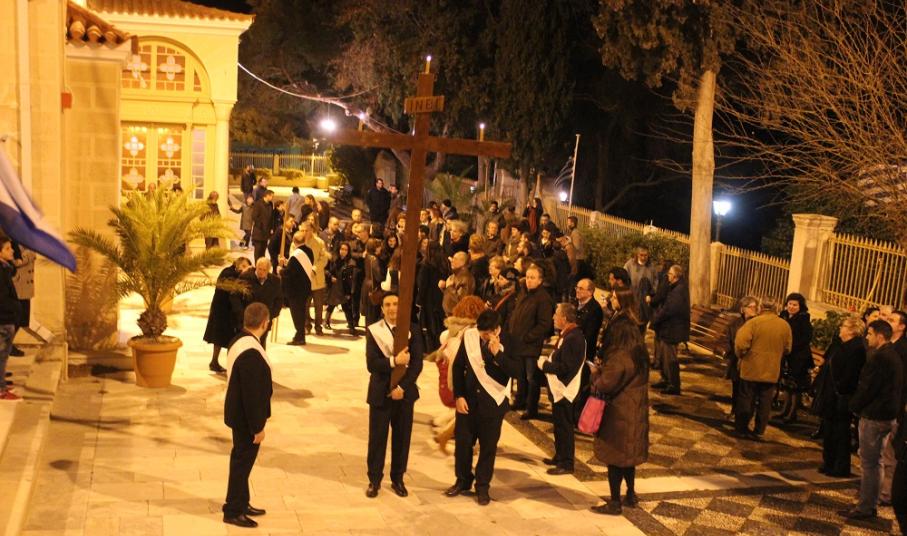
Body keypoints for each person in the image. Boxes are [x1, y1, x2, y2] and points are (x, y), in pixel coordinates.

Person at [446, 309, 520, 505]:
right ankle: (462, 481)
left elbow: (517, 371)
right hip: (468, 402)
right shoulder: (470, 336)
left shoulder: (510, 341)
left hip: (493, 404)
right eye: (481, 332)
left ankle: (482, 487)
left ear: (496, 329)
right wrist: (459, 396)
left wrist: (498, 354)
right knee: (463, 445)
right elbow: (457, 366)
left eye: (487, 333)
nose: (483, 337)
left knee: (488, 448)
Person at [839, 319, 903, 520]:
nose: (866, 337)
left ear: (880, 336)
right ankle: (871, 503)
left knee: (869, 464)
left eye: (869, 334)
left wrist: (853, 406)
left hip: (875, 416)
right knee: (877, 462)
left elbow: (868, 388)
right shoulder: (893, 355)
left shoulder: (880, 358)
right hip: (886, 415)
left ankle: (865, 507)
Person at [365, 293, 424, 498]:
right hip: (380, 392)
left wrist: (403, 387)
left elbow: (417, 364)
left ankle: (398, 478)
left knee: (402, 438)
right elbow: (371, 364)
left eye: (396, 304)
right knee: (377, 439)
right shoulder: (374, 331)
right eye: (388, 304)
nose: (392, 308)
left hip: (404, 394)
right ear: (382, 309)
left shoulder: (413, 329)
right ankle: (374, 480)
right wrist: (394, 361)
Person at [589, 318, 650, 515]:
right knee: (628, 457)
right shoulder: (640, 354)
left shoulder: (620, 357)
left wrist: (595, 373)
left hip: (619, 414)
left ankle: (615, 502)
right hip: (636, 411)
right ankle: (630, 494)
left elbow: (605, 384)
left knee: (615, 458)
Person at [222, 302, 273, 528]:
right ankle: (233, 510)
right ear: (264, 323)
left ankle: (242, 502)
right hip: (245, 419)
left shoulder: (238, 339)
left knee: (240, 461)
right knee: (242, 464)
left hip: (237, 413)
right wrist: (257, 428)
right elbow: (252, 395)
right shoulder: (251, 353)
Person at [424, 296, 487, 453]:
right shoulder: (470, 333)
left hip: (446, 382)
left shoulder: (451, 331)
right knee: (471, 411)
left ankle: (445, 430)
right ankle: (446, 434)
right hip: (456, 383)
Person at [814, 316, 866, 477]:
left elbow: (850, 375)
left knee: (840, 433)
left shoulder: (857, 349)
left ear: (852, 330)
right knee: (829, 431)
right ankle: (828, 462)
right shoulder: (839, 344)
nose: (840, 328)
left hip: (841, 396)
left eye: (843, 326)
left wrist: (840, 387)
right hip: (830, 394)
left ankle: (840, 466)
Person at [734, 298, 792, 440]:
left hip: (751, 368)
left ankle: (742, 428)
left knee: (747, 399)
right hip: (771, 370)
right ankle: (759, 431)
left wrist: (741, 356)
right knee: (765, 402)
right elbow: (787, 348)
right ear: (776, 308)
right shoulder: (784, 326)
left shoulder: (753, 323)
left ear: (761, 307)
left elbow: (741, 344)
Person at [539, 303, 585, 475]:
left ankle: (566, 463)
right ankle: (559, 456)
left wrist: (544, 365)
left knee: (565, 427)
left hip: (566, 390)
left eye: (556, 314)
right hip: (559, 390)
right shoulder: (568, 334)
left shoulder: (574, 338)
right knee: (558, 425)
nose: (553, 317)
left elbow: (566, 367)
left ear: (564, 318)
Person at [508, 264, 554, 419]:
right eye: (527, 277)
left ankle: (531, 407)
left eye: (532, 278)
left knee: (531, 377)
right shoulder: (524, 293)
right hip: (518, 343)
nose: (528, 280)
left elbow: (544, 324)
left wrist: (528, 337)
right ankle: (520, 400)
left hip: (531, 345)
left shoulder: (543, 298)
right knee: (520, 375)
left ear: (540, 280)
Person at [204, 257, 252, 373]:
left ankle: (221, 362)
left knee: (227, 338)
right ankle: (215, 362)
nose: (245, 269)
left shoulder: (238, 275)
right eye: (243, 266)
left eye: (247, 267)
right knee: (219, 337)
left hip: (229, 311)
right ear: (237, 264)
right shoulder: (228, 273)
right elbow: (230, 288)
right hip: (221, 310)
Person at [650, 265, 690, 395]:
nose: (668, 276)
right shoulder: (675, 287)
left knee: (670, 358)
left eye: (670, 274)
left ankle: (673, 384)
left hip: (673, 329)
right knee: (664, 356)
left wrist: (656, 319)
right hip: (669, 328)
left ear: (676, 276)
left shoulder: (678, 290)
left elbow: (669, 310)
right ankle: (666, 379)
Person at [778, 292, 813, 423]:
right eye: (790, 304)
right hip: (787, 355)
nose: (791, 307)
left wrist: (790, 346)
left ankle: (792, 413)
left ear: (800, 306)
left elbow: (805, 339)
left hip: (799, 358)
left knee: (795, 387)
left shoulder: (803, 319)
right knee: (787, 385)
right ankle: (784, 410)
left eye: (795, 305)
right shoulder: (783, 315)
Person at [724, 297, 760, 419]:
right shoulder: (735, 324)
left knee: (748, 391)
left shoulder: (758, 323)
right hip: (737, 360)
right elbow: (729, 340)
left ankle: (746, 414)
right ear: (742, 309)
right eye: (750, 307)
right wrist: (730, 352)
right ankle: (735, 411)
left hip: (751, 361)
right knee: (736, 388)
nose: (753, 309)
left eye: (755, 307)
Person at [573, 278, 603, 420]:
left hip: (584, 352)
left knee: (582, 385)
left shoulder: (594, 309)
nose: (577, 291)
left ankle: (578, 416)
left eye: (581, 288)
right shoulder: (576, 304)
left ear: (590, 292)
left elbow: (589, 335)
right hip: (573, 350)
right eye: (577, 287)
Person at [236, 258, 282, 349]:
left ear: (268, 270)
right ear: (256, 267)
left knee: (261, 344)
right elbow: (235, 296)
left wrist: (272, 314)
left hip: (264, 320)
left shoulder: (275, 281)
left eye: (264, 270)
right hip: (247, 318)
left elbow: (279, 300)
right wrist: (241, 312)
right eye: (259, 269)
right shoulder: (245, 277)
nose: (261, 272)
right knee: (246, 344)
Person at [280, 231, 314, 346]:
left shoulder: (296, 255)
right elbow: (298, 268)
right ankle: (300, 335)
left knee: (297, 314)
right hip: (305, 288)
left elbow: (289, 273)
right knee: (301, 313)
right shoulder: (309, 251)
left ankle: (300, 337)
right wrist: (287, 263)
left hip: (296, 290)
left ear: (294, 241)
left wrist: (281, 270)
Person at [0, 237, 21, 400]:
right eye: (7, 248)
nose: (12, 250)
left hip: (7, 318)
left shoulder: (5, 268)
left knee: (3, 356)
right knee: (1, 356)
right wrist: (14, 308)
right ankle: (1, 389)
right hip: (4, 319)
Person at [325, 242, 359, 334]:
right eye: (342, 249)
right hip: (335, 286)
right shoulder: (333, 259)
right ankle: (326, 321)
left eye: (345, 250)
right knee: (331, 305)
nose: (343, 251)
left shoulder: (350, 262)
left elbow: (351, 279)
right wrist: (330, 277)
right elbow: (326, 270)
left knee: (347, 307)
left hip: (344, 287)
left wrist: (349, 291)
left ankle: (351, 326)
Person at [302, 222, 329, 336]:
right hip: (304, 279)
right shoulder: (298, 240)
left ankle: (318, 326)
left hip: (317, 278)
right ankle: (306, 325)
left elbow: (324, 258)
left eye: (307, 230)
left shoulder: (319, 242)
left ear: (312, 230)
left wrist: (315, 268)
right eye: (303, 230)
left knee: (318, 306)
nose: (304, 233)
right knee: (305, 305)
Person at [623, 247, 657, 332]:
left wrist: (651, 294)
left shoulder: (651, 267)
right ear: (637, 254)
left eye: (646, 255)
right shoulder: (630, 264)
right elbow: (623, 278)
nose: (643, 257)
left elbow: (656, 282)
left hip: (644, 301)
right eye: (641, 255)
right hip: (632, 298)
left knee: (641, 325)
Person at [10, 243, 35, 357]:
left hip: (25, 287)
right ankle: (7, 344)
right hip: (17, 286)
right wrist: (30, 252)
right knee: (15, 318)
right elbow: (16, 261)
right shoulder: (12, 241)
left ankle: (8, 343)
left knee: (22, 318)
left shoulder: (27, 242)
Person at [440, 251, 475, 316]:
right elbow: (451, 295)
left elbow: (461, 300)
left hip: (458, 316)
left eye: (455, 259)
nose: (452, 261)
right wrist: (444, 288)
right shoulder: (455, 275)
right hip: (450, 314)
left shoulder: (466, 278)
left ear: (462, 263)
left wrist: (449, 287)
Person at [360, 238, 383, 326]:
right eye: (379, 246)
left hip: (366, 285)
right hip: (373, 288)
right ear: (375, 247)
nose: (380, 248)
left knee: (368, 316)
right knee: (372, 316)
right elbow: (378, 276)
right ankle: (370, 333)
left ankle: (368, 332)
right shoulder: (374, 259)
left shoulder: (367, 256)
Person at [250, 190, 274, 261]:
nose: (272, 198)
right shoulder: (258, 204)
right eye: (272, 196)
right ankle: (257, 265)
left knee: (263, 252)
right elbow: (254, 217)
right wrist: (262, 226)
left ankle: (262, 265)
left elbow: (271, 217)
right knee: (258, 252)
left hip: (266, 233)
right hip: (259, 232)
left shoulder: (270, 204)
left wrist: (270, 228)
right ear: (267, 195)